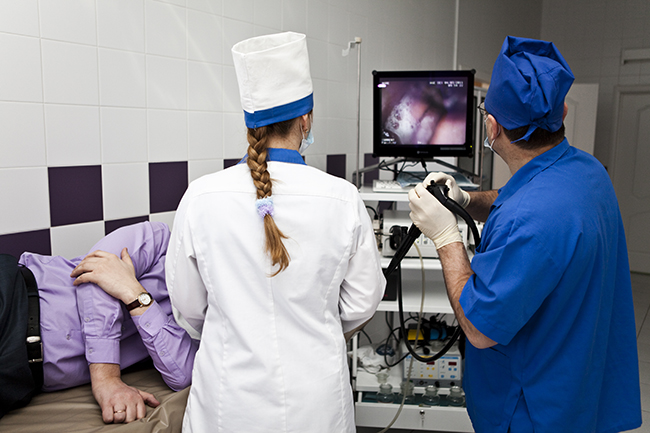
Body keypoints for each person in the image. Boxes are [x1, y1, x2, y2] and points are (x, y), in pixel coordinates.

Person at [408, 36, 641, 433]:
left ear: (492, 127)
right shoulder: (587, 172)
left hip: (533, 408)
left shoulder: (531, 218)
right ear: (561, 111)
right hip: (579, 384)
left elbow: (479, 330)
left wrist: (446, 238)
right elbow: (522, 196)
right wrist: (466, 200)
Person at [166, 31, 385, 433]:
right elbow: (362, 302)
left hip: (229, 404)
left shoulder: (200, 197)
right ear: (306, 119)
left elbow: (188, 308)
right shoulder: (342, 198)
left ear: (250, 124)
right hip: (316, 407)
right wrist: (312, 326)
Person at [1, 221, 198, 423]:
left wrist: (134, 294)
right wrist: (106, 378)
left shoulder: (209, 328)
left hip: (19, 376)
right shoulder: (159, 240)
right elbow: (96, 271)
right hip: (13, 299)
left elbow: (182, 375)